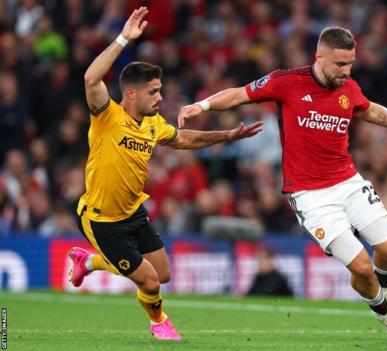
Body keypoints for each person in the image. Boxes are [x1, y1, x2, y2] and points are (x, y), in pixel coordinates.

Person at [178, 26, 387, 338]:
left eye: (351, 64)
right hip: (310, 195)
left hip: (348, 182)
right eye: (340, 65)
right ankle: (386, 311)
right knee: (361, 267)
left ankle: (381, 294)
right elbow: (239, 94)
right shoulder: (286, 82)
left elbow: (372, 112)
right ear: (320, 57)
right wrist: (201, 106)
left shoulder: (349, 88)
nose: (347, 71)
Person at [66, 7, 262, 341]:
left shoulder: (154, 124)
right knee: (150, 282)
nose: (161, 97)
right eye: (153, 91)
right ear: (131, 93)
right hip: (102, 218)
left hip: (133, 212)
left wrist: (226, 136)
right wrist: (123, 38)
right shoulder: (107, 116)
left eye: (160, 90)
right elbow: (90, 78)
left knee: (163, 274)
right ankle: (160, 322)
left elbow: (184, 139)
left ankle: (90, 263)